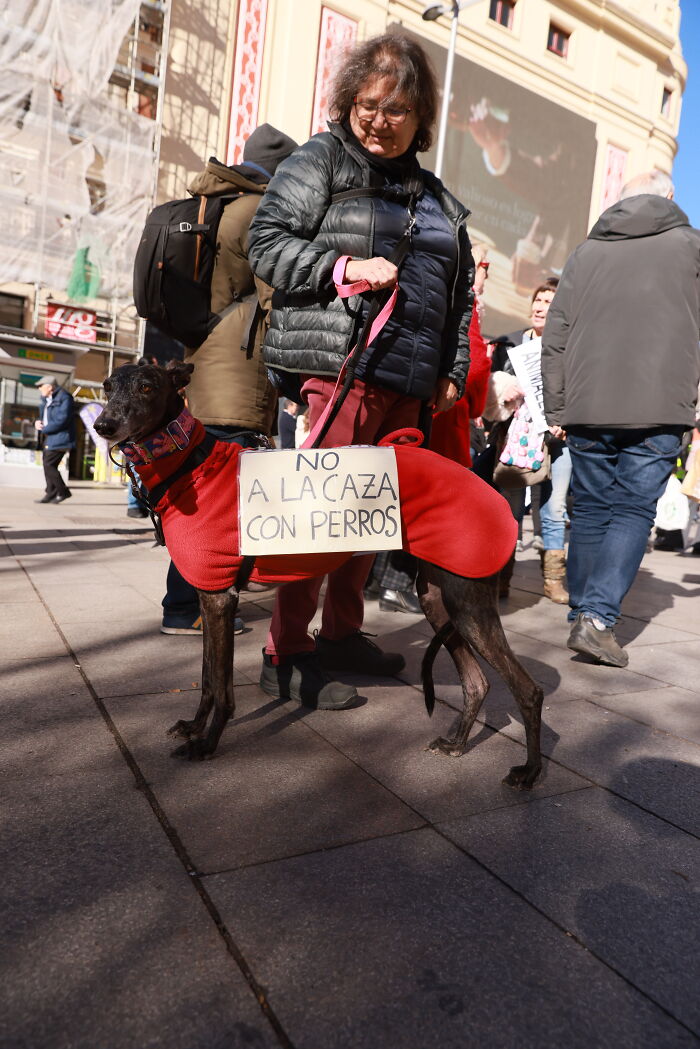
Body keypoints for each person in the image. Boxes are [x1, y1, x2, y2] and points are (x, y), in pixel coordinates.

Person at [248, 31, 474, 710]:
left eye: (396, 108)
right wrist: (342, 268)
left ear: (419, 117)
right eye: (368, 104)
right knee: (318, 515)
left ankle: (342, 633)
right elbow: (267, 242)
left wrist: (452, 370)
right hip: (338, 366)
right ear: (348, 101)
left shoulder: (436, 196)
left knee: (365, 522)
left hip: (407, 382)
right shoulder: (321, 159)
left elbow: (459, 296)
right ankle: (284, 654)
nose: (379, 119)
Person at [542, 171, 700, 666]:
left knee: (588, 509)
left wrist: (558, 405)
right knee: (632, 510)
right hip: (659, 405)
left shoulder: (587, 252)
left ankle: (581, 616)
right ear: (667, 197)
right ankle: (596, 620)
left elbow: (556, 333)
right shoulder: (691, 246)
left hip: (588, 405)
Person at [159, 123, 298, 635]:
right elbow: (273, 294)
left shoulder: (216, 205)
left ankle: (195, 600)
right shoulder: (259, 211)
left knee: (201, 491)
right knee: (216, 502)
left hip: (205, 365)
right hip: (236, 373)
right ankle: (187, 605)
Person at [33, 376, 75, 503]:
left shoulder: (64, 397)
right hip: (50, 437)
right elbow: (44, 417)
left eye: (41, 386)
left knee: (49, 464)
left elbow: (62, 420)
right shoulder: (47, 400)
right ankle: (50, 493)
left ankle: (63, 492)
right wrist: (37, 423)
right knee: (48, 465)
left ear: (50, 387)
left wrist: (44, 429)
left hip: (61, 438)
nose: (39, 388)